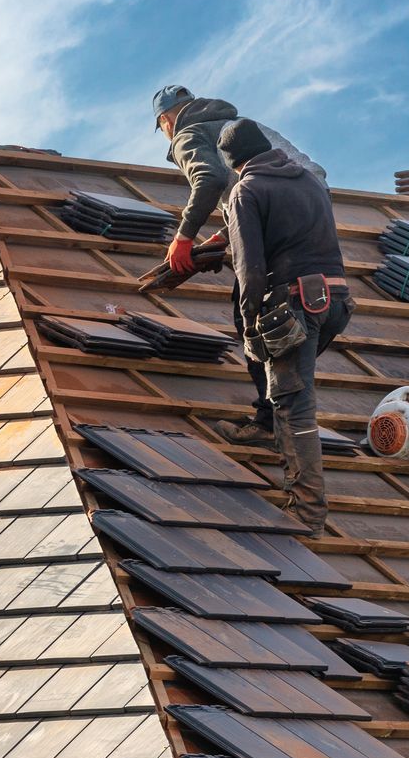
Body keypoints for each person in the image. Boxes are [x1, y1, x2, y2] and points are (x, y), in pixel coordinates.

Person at [150, 85, 326, 445]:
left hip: (277, 238)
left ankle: (269, 422)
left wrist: (184, 237)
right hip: (313, 222)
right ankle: (286, 417)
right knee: (292, 322)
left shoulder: (187, 133)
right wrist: (227, 235)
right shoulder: (245, 125)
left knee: (254, 319)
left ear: (166, 120)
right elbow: (303, 177)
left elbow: (210, 179)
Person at [218, 116, 351, 535]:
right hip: (336, 301)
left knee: (294, 402)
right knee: (289, 389)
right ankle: (269, 434)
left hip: (293, 304)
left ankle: (307, 512)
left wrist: (250, 328)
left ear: (233, 162)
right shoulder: (309, 182)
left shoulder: (246, 190)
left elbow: (250, 269)